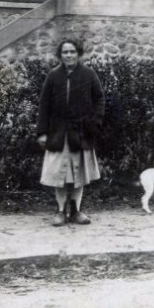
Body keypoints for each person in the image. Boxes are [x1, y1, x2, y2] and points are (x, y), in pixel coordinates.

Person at [37, 37, 104, 225]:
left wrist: (94, 122)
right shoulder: (53, 76)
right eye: (65, 52)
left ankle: (76, 211)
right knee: (60, 173)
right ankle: (60, 211)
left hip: (82, 131)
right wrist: (42, 132)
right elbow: (44, 105)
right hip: (58, 133)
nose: (69, 55)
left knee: (79, 173)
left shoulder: (89, 74)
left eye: (72, 51)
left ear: (78, 53)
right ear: (60, 55)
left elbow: (99, 99)